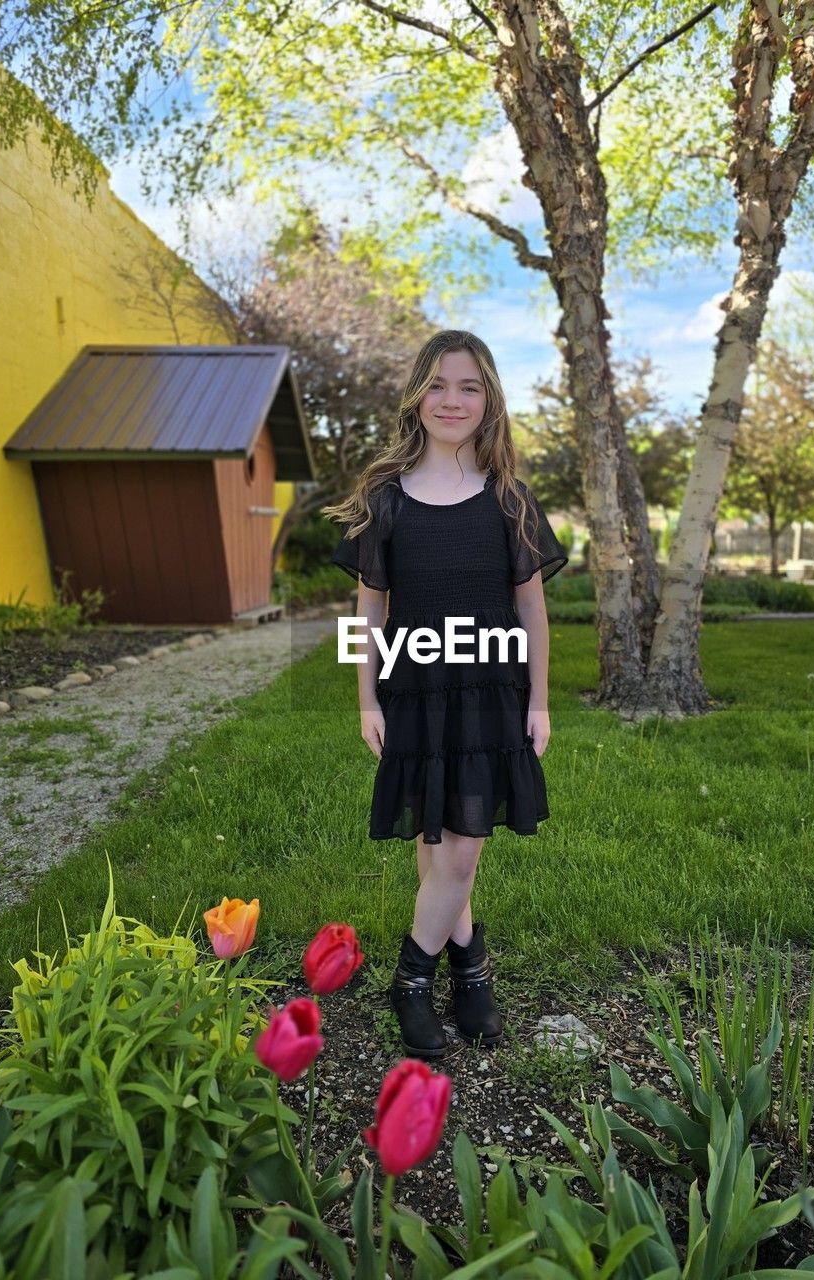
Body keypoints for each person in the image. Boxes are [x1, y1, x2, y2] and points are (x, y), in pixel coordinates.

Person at [323, 330, 567, 1059]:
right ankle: (470, 963)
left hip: (492, 686)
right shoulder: (385, 500)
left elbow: (532, 609)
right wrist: (366, 698)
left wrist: (541, 699)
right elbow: (369, 608)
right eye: (437, 385)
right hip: (415, 686)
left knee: (461, 850)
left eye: (468, 386)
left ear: (489, 398)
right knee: (437, 837)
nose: (452, 400)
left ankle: (412, 980)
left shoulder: (508, 499)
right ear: (417, 396)